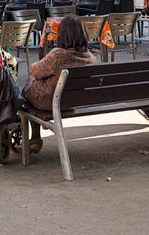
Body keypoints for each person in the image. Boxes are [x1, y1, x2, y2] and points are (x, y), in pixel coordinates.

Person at [22, 15, 96, 153]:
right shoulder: (91, 58)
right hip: (72, 101)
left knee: (27, 88)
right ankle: (36, 136)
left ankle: (35, 137)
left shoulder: (58, 55)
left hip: (49, 102)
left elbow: (35, 71)